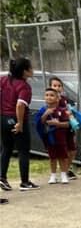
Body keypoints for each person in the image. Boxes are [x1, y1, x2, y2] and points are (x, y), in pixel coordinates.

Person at [1, 56, 40, 191]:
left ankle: (2, 177)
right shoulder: (24, 86)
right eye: (30, 67)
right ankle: (24, 182)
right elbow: (19, 106)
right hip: (15, 118)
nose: (32, 69)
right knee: (23, 150)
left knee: (6, 148)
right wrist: (19, 123)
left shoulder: (4, 80)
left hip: (3, 118)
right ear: (25, 71)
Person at [34, 86, 72, 183]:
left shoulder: (62, 110)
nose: (49, 97)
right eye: (46, 95)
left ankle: (64, 174)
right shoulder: (42, 110)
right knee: (52, 157)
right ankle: (53, 175)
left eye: (51, 95)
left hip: (61, 137)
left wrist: (57, 124)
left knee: (63, 157)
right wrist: (45, 114)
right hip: (49, 138)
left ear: (57, 98)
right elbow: (39, 123)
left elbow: (67, 124)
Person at [48, 76, 79, 179]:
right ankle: (58, 173)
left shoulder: (65, 100)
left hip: (68, 127)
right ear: (50, 87)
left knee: (73, 150)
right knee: (60, 152)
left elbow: (70, 110)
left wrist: (71, 114)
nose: (57, 88)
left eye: (59, 86)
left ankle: (66, 169)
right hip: (58, 130)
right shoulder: (50, 100)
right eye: (54, 85)